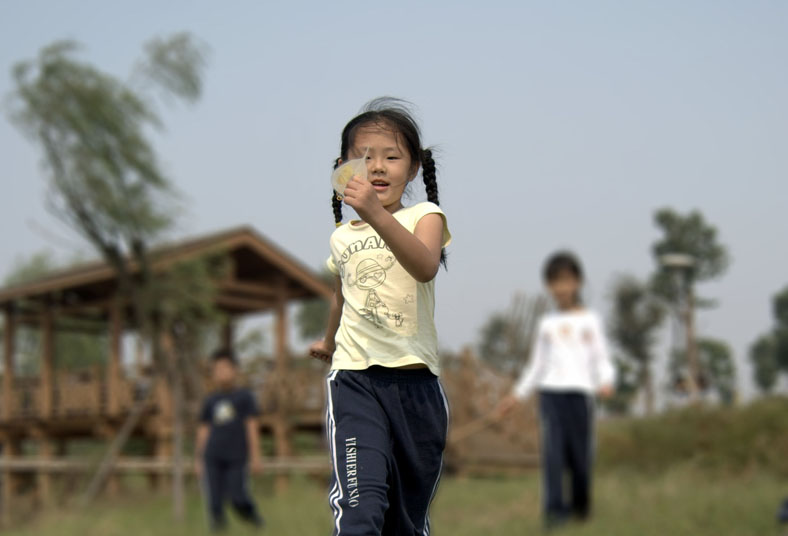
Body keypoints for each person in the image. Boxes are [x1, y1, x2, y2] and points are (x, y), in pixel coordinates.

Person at [309, 97, 452, 535]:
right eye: (364, 157)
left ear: (412, 169)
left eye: (392, 157)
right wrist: (329, 342)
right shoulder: (341, 239)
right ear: (343, 169)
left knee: (405, 522)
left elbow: (425, 265)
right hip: (356, 380)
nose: (377, 167)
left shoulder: (424, 216)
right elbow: (341, 295)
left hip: (417, 387)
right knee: (361, 510)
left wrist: (373, 214)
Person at [498, 251, 615, 530]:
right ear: (548, 286)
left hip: (580, 395)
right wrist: (516, 395)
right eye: (555, 282)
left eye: (567, 281)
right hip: (551, 395)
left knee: (580, 456)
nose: (561, 288)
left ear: (578, 283)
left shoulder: (590, 321)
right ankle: (554, 513)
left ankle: (581, 509)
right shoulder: (546, 324)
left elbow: (602, 358)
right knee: (553, 455)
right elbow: (535, 366)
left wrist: (606, 380)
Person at [195, 348, 264, 532]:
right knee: (214, 503)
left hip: (236, 457)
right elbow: (203, 430)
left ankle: (256, 521)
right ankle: (219, 531)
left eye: (225, 368)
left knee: (238, 497)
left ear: (235, 370)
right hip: (213, 457)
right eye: (217, 369)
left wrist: (256, 456)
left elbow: (251, 427)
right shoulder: (210, 400)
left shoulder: (245, 397)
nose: (221, 373)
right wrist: (199, 459)